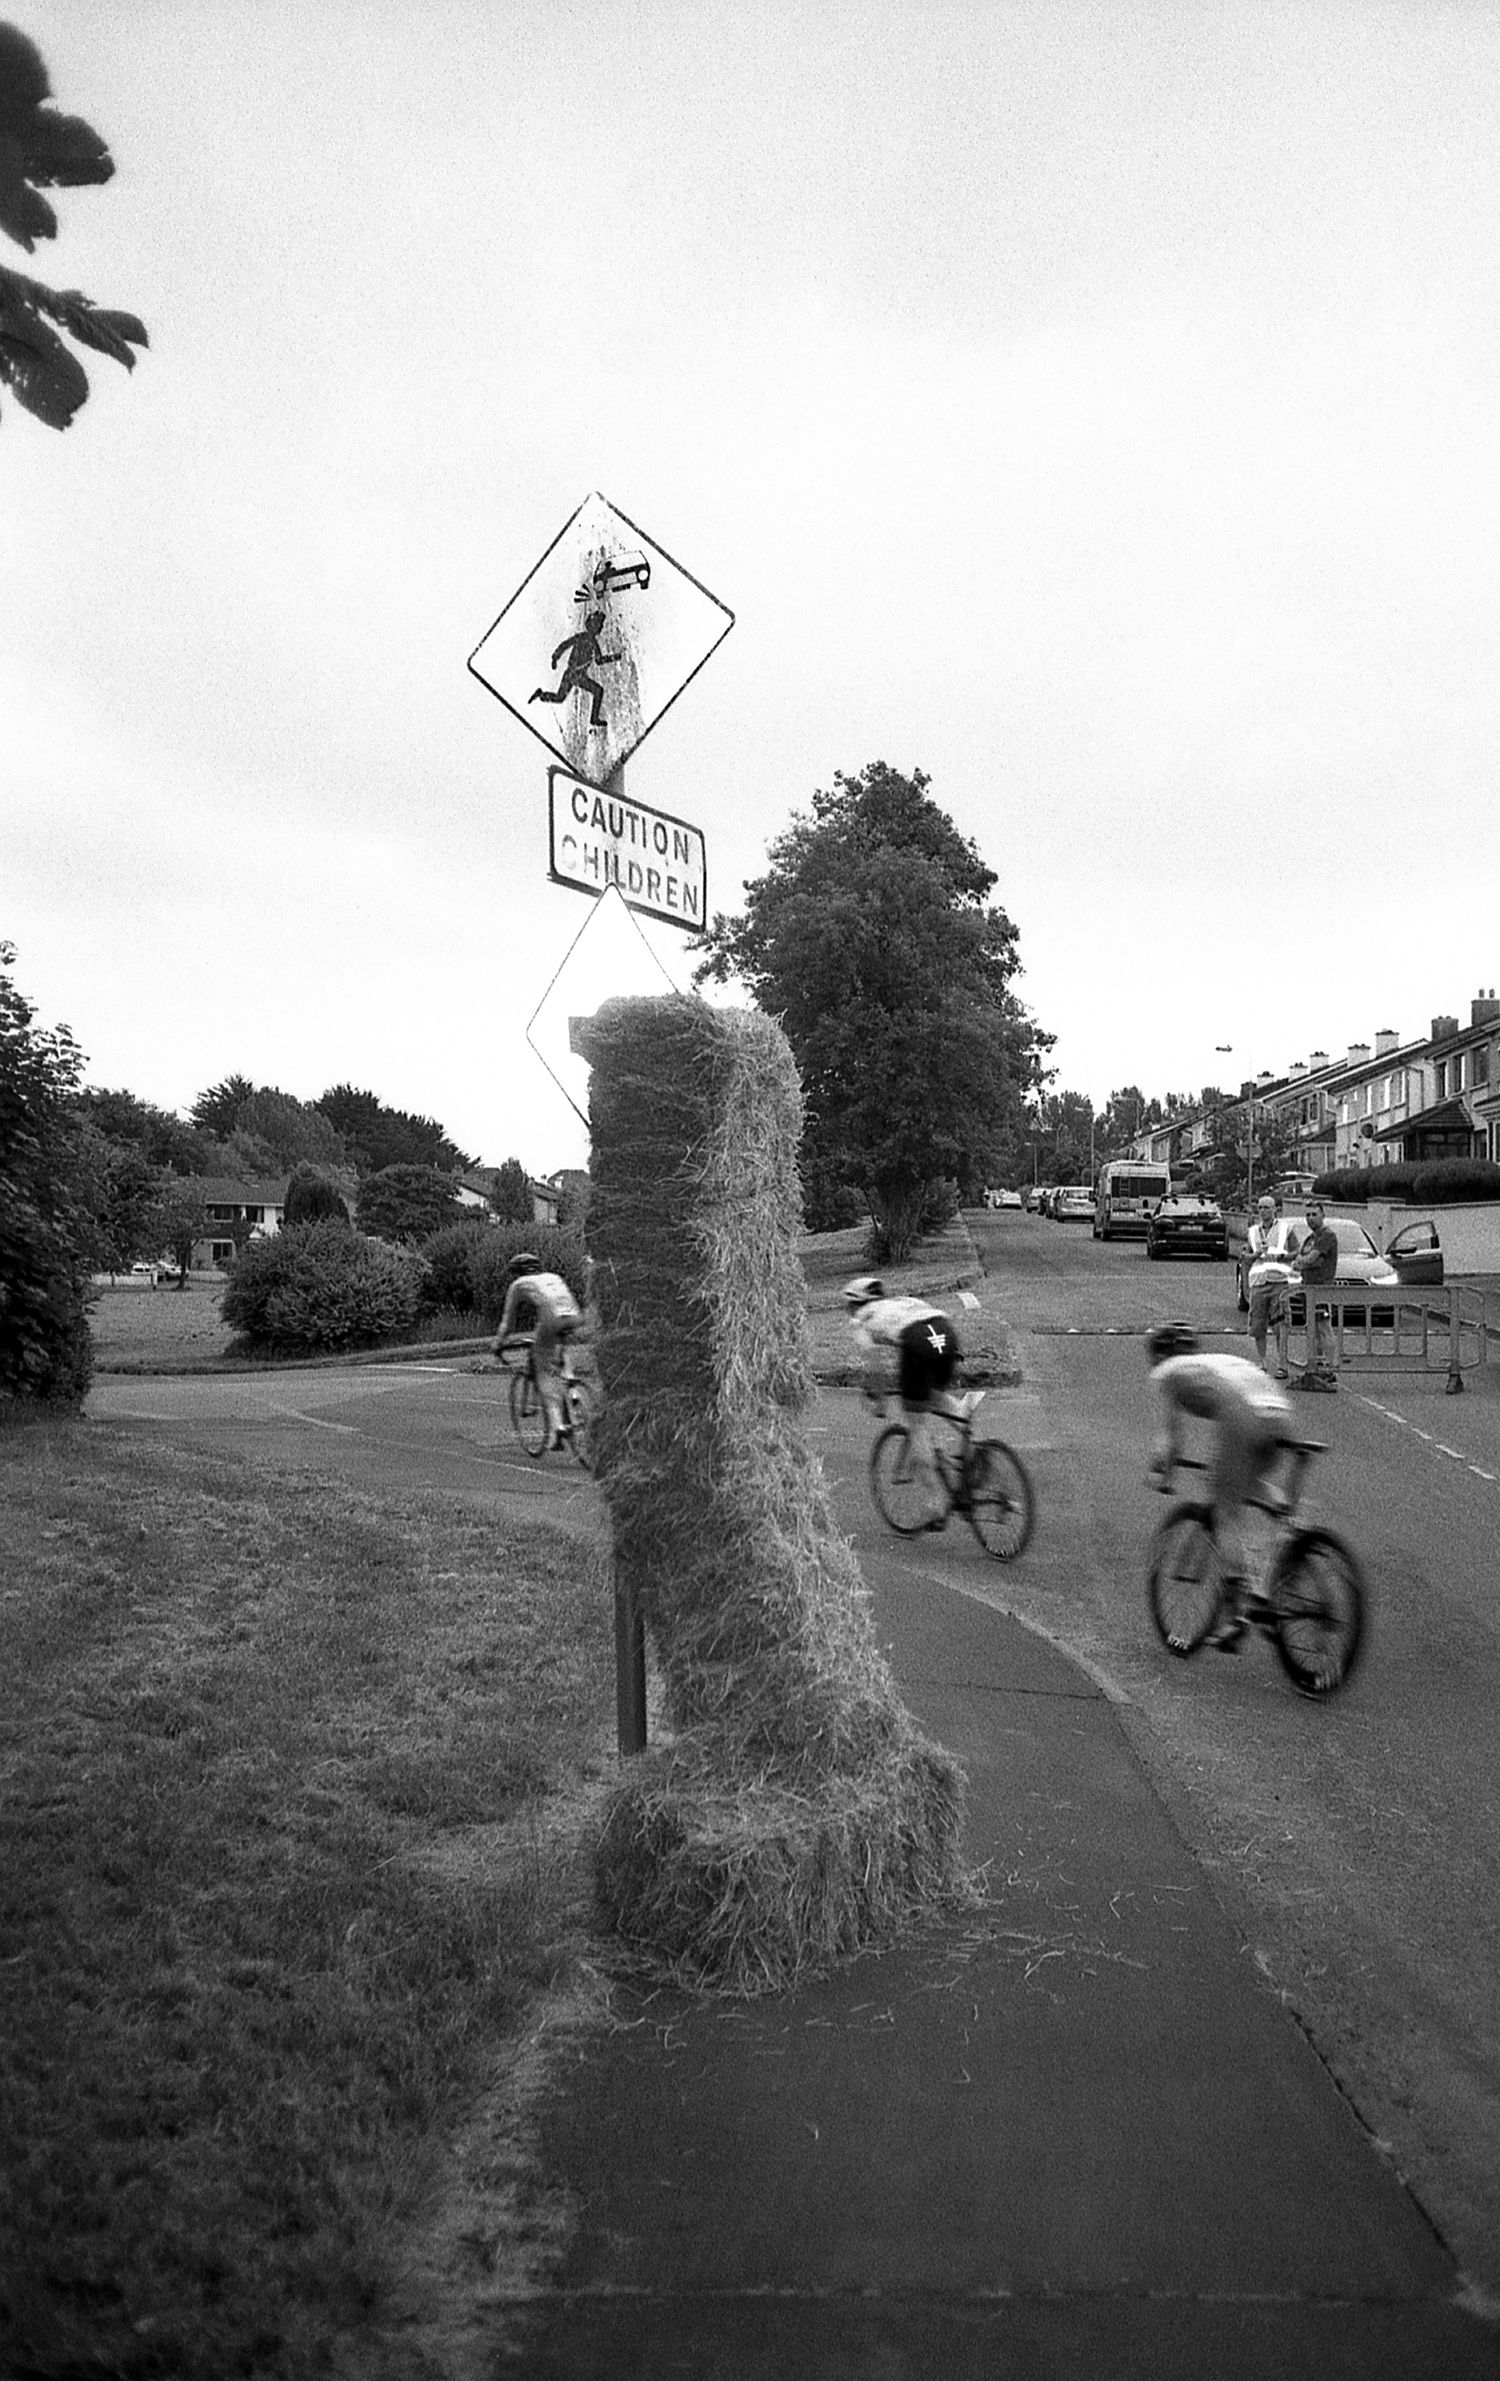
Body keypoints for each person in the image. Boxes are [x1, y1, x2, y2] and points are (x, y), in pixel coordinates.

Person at [1146, 1321, 1295, 1649]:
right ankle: (1294, 1541)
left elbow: (1170, 1441)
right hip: (1279, 1412)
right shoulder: (1217, 1361)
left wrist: (1164, 1472)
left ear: (1159, 1356)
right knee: (1251, 1485)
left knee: (1225, 1510)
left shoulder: (1168, 1372)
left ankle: (1235, 1612)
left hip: (1243, 1415)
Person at [844, 1276, 963, 1530]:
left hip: (917, 1341)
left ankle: (936, 1504)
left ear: (854, 1303)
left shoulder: (860, 1320)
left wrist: (878, 1397)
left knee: (916, 1423)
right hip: (945, 1331)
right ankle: (974, 1450)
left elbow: (874, 1361)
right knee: (934, 1397)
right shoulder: (901, 1301)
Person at [493, 1252, 583, 1451]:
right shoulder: (553, 1276)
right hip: (574, 1314)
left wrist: (498, 1344)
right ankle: (572, 1386)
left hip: (551, 1318)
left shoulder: (518, 1285)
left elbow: (508, 1323)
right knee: (560, 1347)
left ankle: (557, 1427)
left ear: (516, 1272)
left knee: (543, 1373)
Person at [1292, 1199, 1340, 1392]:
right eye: (1308, 1215)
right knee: (1312, 1328)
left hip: (1321, 1289)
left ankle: (1329, 1366)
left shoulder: (1326, 1236)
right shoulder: (1311, 1238)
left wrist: (1302, 1262)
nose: (1311, 1218)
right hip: (1308, 1289)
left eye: (1314, 1214)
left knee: (1324, 1327)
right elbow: (1302, 1258)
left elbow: (1311, 1259)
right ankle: (1317, 1366)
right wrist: (1302, 1261)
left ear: (1323, 1215)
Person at [1245, 1194, 1290, 1379]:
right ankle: (1262, 1363)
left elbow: (1295, 1251)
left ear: (1275, 1210)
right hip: (1259, 1283)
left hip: (1279, 1281)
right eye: (1260, 1207)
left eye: (1267, 1207)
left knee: (1280, 1325)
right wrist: (1255, 1255)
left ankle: (1282, 1365)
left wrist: (1281, 1257)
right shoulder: (1253, 1231)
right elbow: (1245, 1257)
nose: (1263, 1211)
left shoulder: (1284, 1229)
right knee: (1258, 1325)